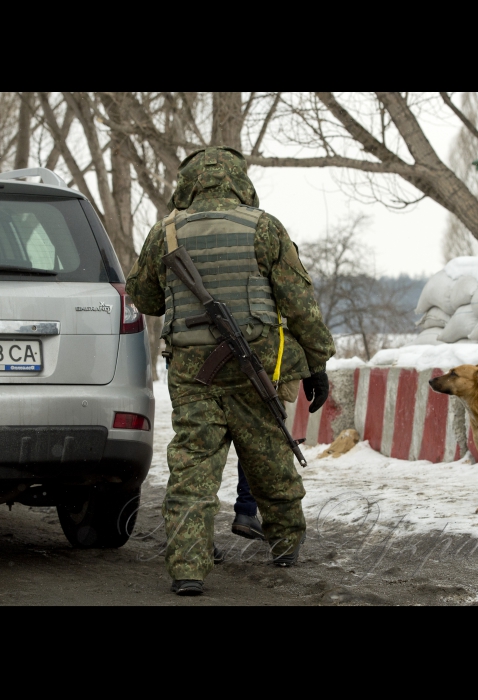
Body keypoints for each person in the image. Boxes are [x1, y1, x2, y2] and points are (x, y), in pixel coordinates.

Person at [126, 146, 335, 596]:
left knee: (193, 465)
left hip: (190, 368)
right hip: (255, 364)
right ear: (240, 181)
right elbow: (299, 305)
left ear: (189, 182)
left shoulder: (165, 232)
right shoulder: (263, 227)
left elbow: (144, 298)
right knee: (268, 453)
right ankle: (285, 543)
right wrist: (317, 362)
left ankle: (187, 567)